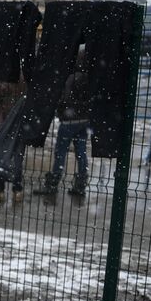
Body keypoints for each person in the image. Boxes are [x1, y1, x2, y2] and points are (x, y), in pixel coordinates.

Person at [36, 50, 91, 198]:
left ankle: (53, 183)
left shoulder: (71, 78)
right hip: (84, 120)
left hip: (69, 120)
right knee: (81, 152)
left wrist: (60, 111)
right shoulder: (89, 77)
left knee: (60, 152)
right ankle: (80, 183)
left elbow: (64, 98)